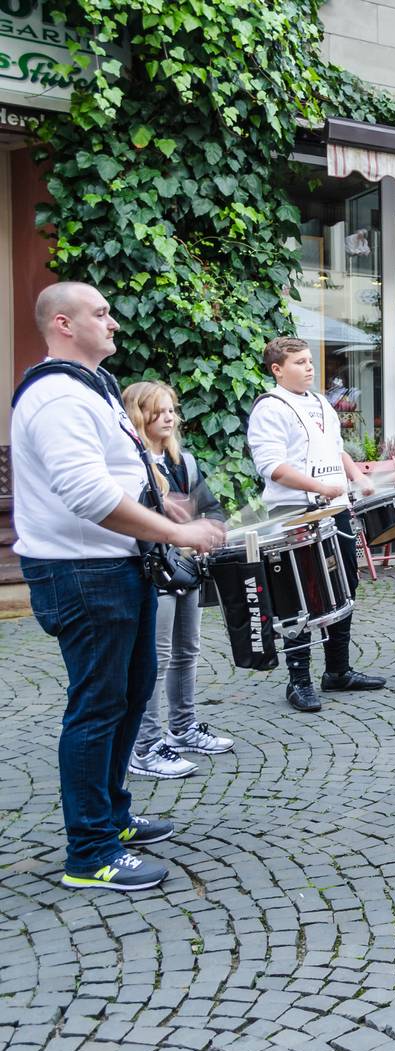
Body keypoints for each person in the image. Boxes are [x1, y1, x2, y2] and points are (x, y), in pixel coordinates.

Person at [14, 281, 226, 891]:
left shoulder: (96, 388)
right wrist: (175, 534)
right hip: (81, 572)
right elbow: (84, 495)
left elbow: (121, 473)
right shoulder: (58, 397)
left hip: (114, 566)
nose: (114, 323)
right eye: (100, 314)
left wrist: (170, 509)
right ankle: (90, 851)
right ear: (62, 324)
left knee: (132, 693)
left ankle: (111, 815)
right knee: (98, 705)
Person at [247, 336, 385, 712]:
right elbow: (272, 467)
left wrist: (357, 477)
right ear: (277, 369)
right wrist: (320, 487)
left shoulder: (322, 402)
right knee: (300, 593)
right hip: (295, 511)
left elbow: (335, 448)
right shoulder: (269, 407)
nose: (310, 367)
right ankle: (299, 680)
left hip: (334, 508)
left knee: (344, 584)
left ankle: (338, 671)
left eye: (310, 361)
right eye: (300, 362)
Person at [122, 381, 234, 780]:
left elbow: (212, 509)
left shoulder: (183, 462)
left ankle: (183, 728)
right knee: (156, 659)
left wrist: (209, 527)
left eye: (171, 409)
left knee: (188, 651)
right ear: (139, 414)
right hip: (152, 572)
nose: (168, 417)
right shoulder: (131, 466)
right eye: (159, 410)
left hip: (187, 570)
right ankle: (146, 745)